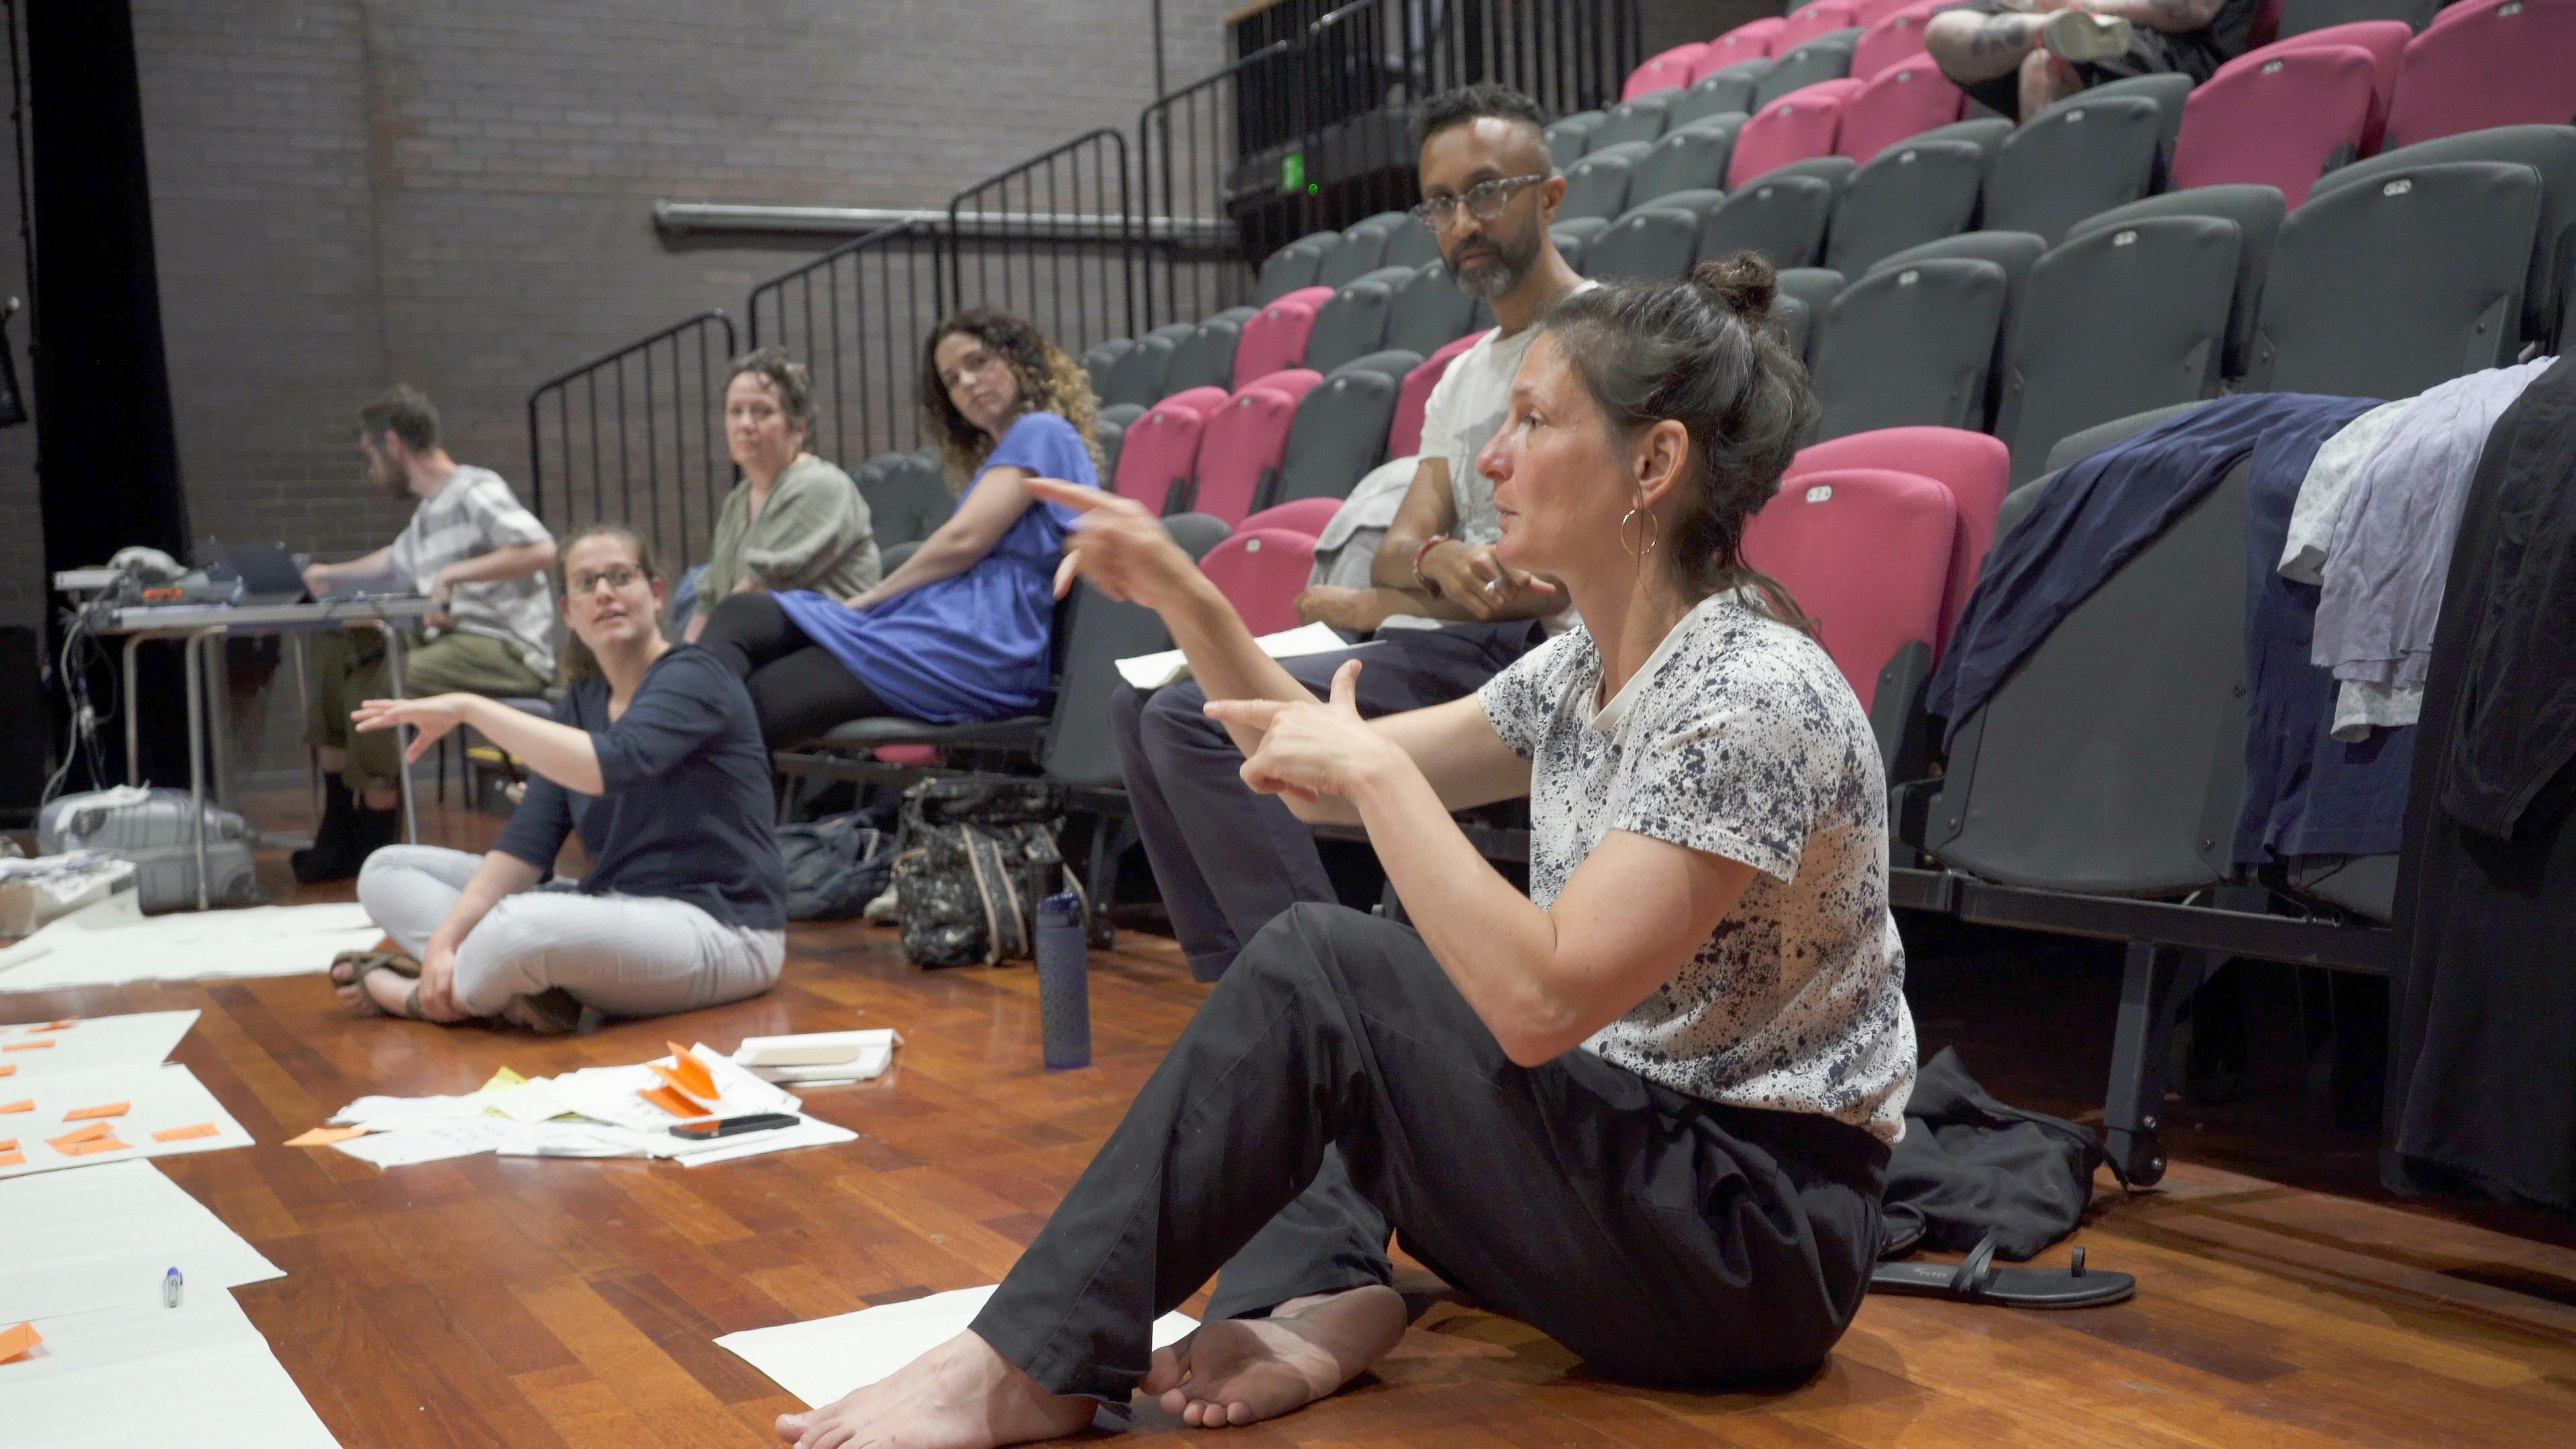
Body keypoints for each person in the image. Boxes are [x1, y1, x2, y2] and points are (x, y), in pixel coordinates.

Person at [772, 256, 1917, 1448]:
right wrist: (1187, 597)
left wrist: (1371, 773)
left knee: (1341, 960)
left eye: (1533, 422)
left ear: (1655, 463)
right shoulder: (1587, 665)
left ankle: (1031, 1362)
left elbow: (1539, 1001)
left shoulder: (1748, 691)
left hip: (1749, 1245)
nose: (1491, 459)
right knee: (1372, 951)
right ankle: (1315, 1294)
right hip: (1645, 1164)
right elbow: (1312, 776)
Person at [1114, 82, 1596, 984]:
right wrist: (1433, 557)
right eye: (1442, 204)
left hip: (1523, 651)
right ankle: (1239, 986)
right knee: (1135, 707)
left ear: (1550, 194)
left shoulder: (1609, 338)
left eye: (1486, 191)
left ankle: (1332, 999)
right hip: (1435, 640)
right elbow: (1394, 545)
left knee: (1194, 719)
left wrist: (1465, 578)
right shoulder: (1459, 382)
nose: (1464, 223)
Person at [333, 524, 787, 1031]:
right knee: (386, 870)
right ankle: (505, 986)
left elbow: (610, 764)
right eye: (587, 582)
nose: (605, 593)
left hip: (722, 931)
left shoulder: (695, 675)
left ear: (656, 593)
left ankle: (416, 995)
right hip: (613, 909)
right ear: (568, 613)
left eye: (620, 576)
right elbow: (529, 842)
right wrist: (447, 936)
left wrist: (470, 708)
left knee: (521, 927)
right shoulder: (580, 703)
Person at [694, 309, 1102, 749]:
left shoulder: (1041, 430)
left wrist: (870, 599)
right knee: (742, 616)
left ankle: (648, 753)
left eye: (978, 362)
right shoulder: (1014, 451)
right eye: (951, 378)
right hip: (944, 633)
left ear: (1019, 360)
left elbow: (963, 542)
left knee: (763, 700)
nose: (965, 383)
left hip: (980, 646)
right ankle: (659, 742)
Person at [291, 385, 559, 883]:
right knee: (339, 643)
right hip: (455, 646)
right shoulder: (428, 514)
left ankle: (375, 827)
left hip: (505, 648)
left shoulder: (474, 489)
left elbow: (540, 548)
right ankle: (337, 815)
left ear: (393, 444)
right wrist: (328, 574)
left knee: (383, 676)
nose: (370, 469)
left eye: (370, 455)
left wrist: (455, 575)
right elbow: (392, 564)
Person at [680, 346, 880, 642]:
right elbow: (709, 601)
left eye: (763, 412)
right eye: (736, 411)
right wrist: (683, 663)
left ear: (798, 428)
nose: (746, 425)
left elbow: (751, 596)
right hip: (765, 648)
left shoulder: (818, 484)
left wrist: (697, 670)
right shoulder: (737, 500)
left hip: (833, 652)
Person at [1924, 0, 2256, 122]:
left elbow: (2191, 9)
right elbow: (1947, 32)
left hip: (2173, 56)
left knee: (2043, 66)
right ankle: (2053, 30)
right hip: (2068, 34)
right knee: (1945, 31)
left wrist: (2082, 8)